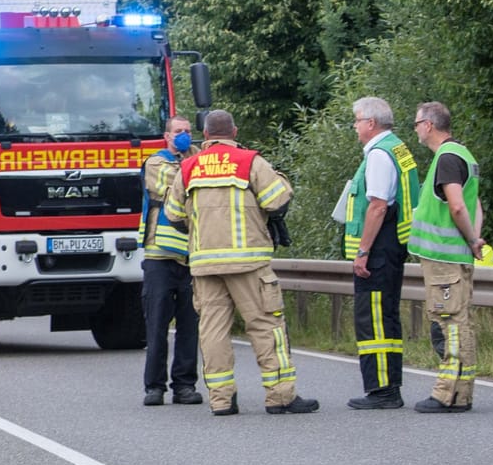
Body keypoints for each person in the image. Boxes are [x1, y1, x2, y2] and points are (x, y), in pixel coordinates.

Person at [164, 109, 316, 416]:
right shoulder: (249, 161)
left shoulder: (189, 166)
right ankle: (280, 396)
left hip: (205, 265)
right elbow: (277, 200)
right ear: (234, 132)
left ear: (205, 135)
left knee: (212, 332)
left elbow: (172, 214)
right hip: (249, 263)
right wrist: (282, 179)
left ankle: (221, 400)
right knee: (265, 327)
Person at [342, 97, 419, 410]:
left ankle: (382, 390)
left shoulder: (378, 154)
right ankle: (389, 387)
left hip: (378, 249)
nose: (356, 127)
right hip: (392, 246)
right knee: (385, 317)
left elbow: (377, 205)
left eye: (357, 121)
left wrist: (362, 251)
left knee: (373, 319)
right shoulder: (397, 148)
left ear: (370, 123)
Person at [408, 101, 484, 413]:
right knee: (460, 321)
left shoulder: (448, 158)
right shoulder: (462, 154)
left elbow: (457, 205)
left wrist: (470, 238)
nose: (415, 129)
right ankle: (461, 393)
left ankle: (447, 393)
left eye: (416, 123)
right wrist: (475, 239)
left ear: (429, 125)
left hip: (444, 258)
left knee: (449, 321)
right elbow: (475, 203)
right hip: (455, 256)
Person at [140, 116, 201, 406]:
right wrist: (199, 163)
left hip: (191, 257)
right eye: (179, 132)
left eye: (188, 132)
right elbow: (175, 185)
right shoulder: (155, 163)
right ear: (167, 136)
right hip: (159, 256)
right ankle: (154, 387)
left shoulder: (197, 159)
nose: (184, 136)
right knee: (157, 325)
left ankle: (185, 386)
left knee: (190, 326)